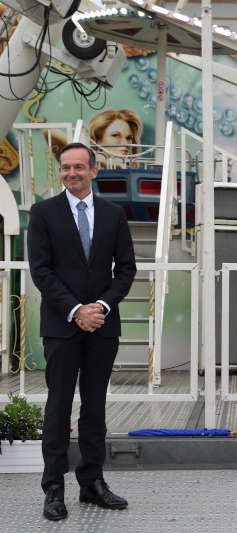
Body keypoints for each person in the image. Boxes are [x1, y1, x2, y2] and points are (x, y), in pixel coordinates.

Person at [28, 142, 137, 521]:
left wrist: (101, 308)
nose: (71, 173)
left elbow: (125, 270)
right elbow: (41, 271)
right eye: (65, 167)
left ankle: (92, 484)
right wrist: (76, 311)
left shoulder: (113, 214)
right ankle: (53, 490)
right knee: (58, 408)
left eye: (78, 167)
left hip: (102, 327)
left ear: (94, 170)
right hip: (62, 326)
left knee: (95, 408)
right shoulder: (43, 213)